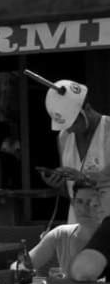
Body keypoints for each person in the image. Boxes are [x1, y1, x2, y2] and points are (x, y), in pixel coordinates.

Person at [41, 79, 110, 222]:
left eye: (72, 123)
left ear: (87, 109)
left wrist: (85, 178)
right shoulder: (64, 137)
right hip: (77, 224)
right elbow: (70, 192)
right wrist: (59, 184)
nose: (70, 129)